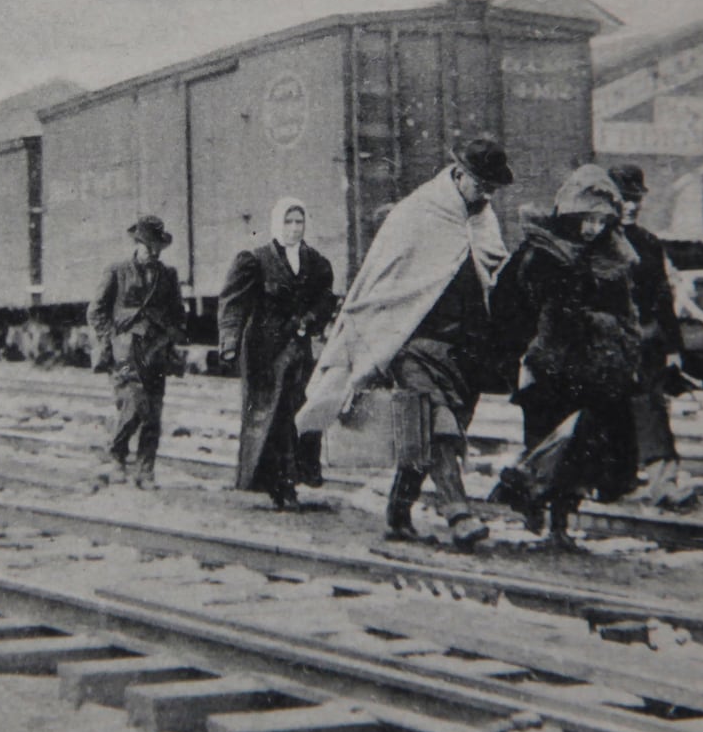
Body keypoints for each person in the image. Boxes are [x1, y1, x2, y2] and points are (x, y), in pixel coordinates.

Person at [296, 138, 513, 551]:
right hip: (413, 344)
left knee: (427, 434)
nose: (486, 195)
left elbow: (493, 272)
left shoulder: (483, 220)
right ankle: (459, 513)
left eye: (492, 189)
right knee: (438, 427)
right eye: (481, 185)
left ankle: (398, 510)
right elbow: (383, 278)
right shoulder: (417, 213)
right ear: (460, 175)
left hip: (464, 349)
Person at [489, 165, 643, 550]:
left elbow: (625, 313)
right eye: (585, 220)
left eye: (600, 221)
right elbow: (509, 308)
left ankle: (560, 526)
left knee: (580, 450)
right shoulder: (540, 253)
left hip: (594, 368)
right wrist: (518, 357)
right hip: (548, 368)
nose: (592, 229)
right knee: (545, 443)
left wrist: (615, 341)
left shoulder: (614, 258)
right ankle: (534, 507)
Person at [217, 197, 338, 510]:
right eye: (288, 222)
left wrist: (310, 320)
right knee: (271, 417)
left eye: (299, 222)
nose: (294, 229)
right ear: (276, 224)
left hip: (299, 352)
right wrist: (229, 342)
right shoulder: (255, 260)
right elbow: (234, 303)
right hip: (264, 352)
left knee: (297, 415)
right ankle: (276, 485)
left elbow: (326, 300)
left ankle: (290, 481)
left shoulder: (316, 262)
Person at [87, 215, 187, 490]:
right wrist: (110, 339)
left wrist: (170, 335)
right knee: (133, 405)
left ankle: (145, 470)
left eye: (157, 248)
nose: (153, 253)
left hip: (156, 352)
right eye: (148, 247)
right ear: (138, 243)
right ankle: (117, 457)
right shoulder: (117, 271)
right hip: (125, 352)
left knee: (153, 414)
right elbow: (96, 311)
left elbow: (178, 314)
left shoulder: (169, 275)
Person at [608, 164, 689, 500]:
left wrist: (674, 347)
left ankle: (662, 477)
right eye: (624, 199)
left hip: (646, 340)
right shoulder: (597, 242)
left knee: (649, 403)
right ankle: (619, 480)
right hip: (609, 341)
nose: (631, 206)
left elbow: (662, 296)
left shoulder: (649, 243)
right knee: (615, 412)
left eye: (636, 199)